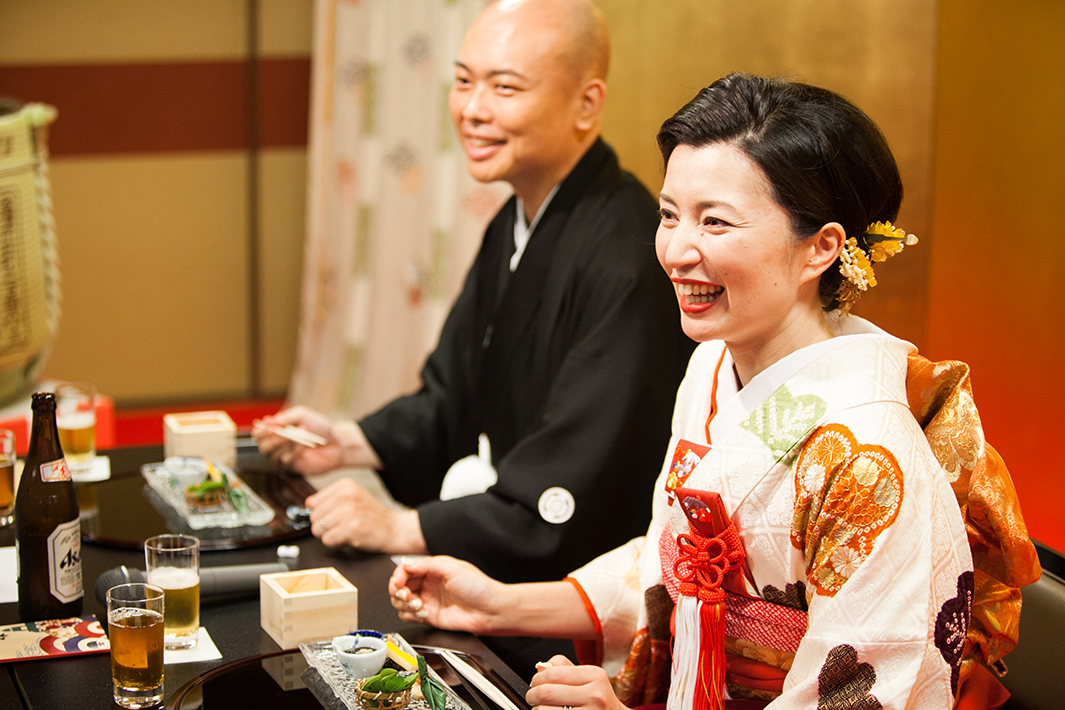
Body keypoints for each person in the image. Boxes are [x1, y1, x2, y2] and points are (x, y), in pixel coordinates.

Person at [388, 73, 1039, 709]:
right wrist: (496, 603)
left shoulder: (872, 456)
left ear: (820, 249)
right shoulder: (711, 368)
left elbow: (861, 692)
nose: (676, 251)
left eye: (716, 223)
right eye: (669, 215)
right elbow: (676, 567)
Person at [256, 0, 693, 670]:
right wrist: (346, 441)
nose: (472, 109)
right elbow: (453, 392)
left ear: (586, 104)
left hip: (567, 606)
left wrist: (402, 527)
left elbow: (580, 476)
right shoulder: (515, 222)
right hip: (496, 567)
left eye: (505, 87)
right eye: (463, 81)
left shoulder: (625, 255)